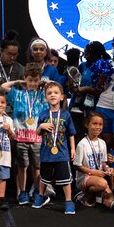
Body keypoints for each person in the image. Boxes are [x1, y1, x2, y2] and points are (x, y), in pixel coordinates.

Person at [0, 64, 49, 205]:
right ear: (25, 79)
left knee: (37, 167)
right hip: (21, 136)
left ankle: (39, 193)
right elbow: (3, 86)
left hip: (37, 137)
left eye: (35, 80)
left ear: (39, 80)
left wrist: (45, 83)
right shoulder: (18, 94)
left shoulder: (42, 95)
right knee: (22, 166)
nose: (32, 83)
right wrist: (16, 82)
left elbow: (58, 89)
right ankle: (22, 192)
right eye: (30, 80)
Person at [32, 82, 77, 214]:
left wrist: (73, 149)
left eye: (56, 93)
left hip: (62, 153)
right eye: (49, 93)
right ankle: (40, 196)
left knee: (65, 179)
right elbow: (37, 133)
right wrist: (41, 127)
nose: (53, 95)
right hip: (46, 153)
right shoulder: (43, 114)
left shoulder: (66, 115)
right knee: (43, 177)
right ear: (45, 98)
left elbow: (71, 133)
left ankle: (68, 201)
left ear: (62, 97)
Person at [73, 111, 114, 208]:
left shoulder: (102, 143)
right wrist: (93, 172)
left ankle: (94, 196)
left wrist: (107, 168)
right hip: (85, 177)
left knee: (110, 199)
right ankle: (83, 195)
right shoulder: (82, 144)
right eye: (94, 124)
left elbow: (103, 162)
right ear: (87, 125)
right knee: (103, 184)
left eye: (100, 124)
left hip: (98, 177)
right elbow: (77, 166)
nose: (98, 127)